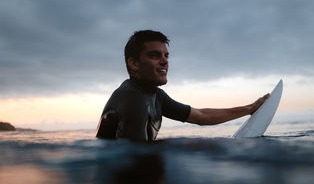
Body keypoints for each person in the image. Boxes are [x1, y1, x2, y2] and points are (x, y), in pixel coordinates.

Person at [96, 30, 269, 141]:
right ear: (133, 63)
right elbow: (136, 155)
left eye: (166, 55)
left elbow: (201, 116)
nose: (165, 61)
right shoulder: (132, 98)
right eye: (155, 55)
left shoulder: (155, 95)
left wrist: (250, 108)